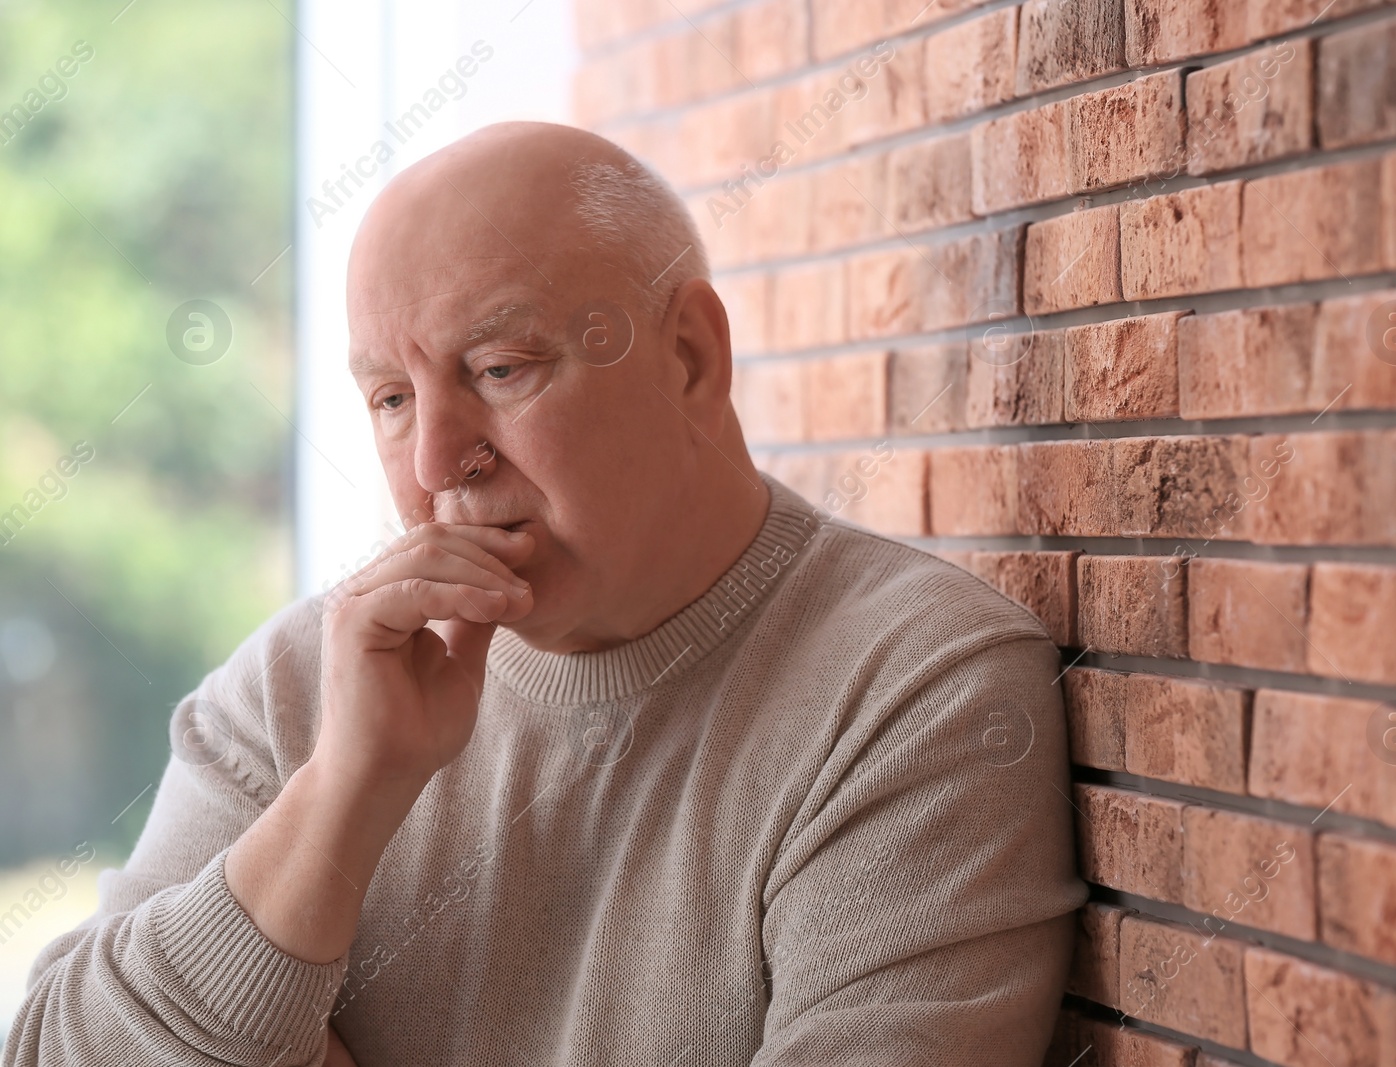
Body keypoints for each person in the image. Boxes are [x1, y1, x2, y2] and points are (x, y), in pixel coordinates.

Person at [2, 122, 1087, 1066]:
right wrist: (339, 803)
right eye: (390, 396)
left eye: (499, 368)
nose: (435, 459)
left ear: (691, 358)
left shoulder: (919, 688)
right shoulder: (302, 689)